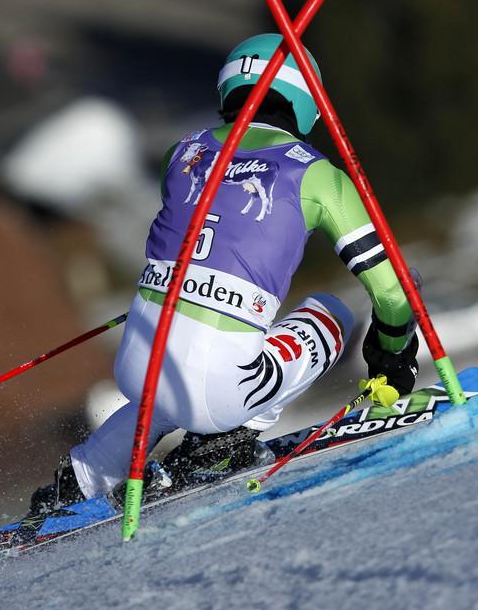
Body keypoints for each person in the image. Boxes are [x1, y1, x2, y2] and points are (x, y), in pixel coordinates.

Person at [30, 33, 419, 512]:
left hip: (136, 368)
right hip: (221, 391)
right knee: (331, 313)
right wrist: (393, 356)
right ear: (307, 102)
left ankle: (80, 478)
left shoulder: (182, 154)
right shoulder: (315, 174)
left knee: (163, 390)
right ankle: (227, 441)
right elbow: (393, 294)